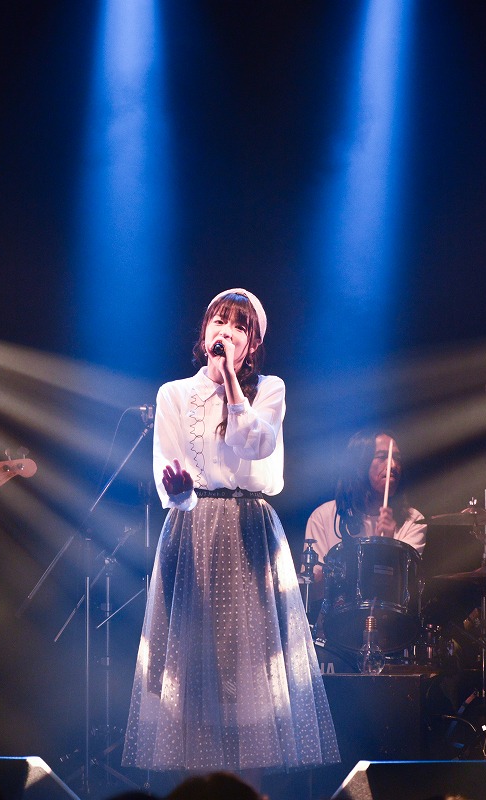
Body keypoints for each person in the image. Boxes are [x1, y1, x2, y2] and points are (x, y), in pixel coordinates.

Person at [122, 289, 339, 786]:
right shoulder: (173, 393)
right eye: (218, 320)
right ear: (204, 332)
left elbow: (256, 444)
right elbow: (169, 477)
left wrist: (231, 386)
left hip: (249, 533)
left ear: (252, 344)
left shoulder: (269, 390)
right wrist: (180, 493)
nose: (225, 330)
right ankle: (202, 794)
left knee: (250, 680)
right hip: (193, 534)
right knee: (196, 680)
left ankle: (248, 792)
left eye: (239, 326)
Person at [303, 429, 426, 602]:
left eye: (397, 458)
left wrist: (389, 546)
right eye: (382, 457)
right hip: (336, 617)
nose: (393, 465)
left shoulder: (414, 521)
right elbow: (314, 592)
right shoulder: (323, 517)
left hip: (387, 617)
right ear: (359, 464)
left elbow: (402, 591)